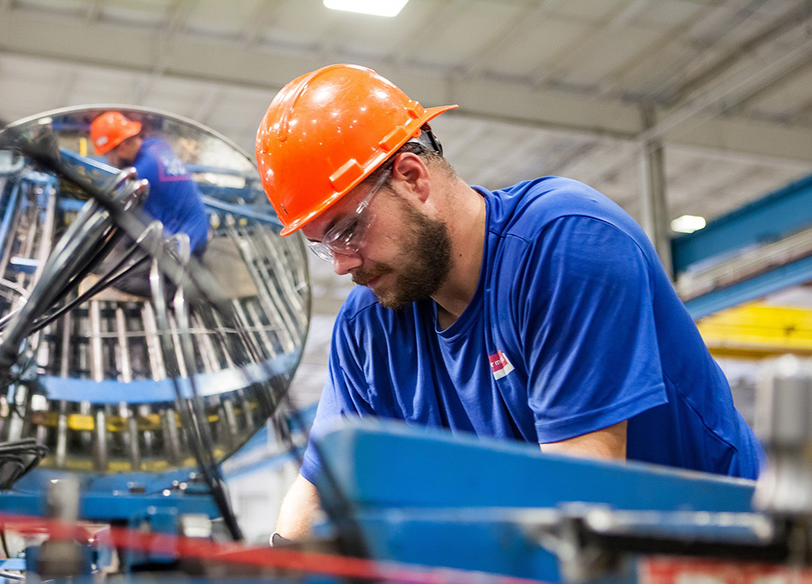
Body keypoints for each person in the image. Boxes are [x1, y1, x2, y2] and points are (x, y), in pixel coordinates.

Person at [255, 64, 765, 541]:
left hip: (725, 562)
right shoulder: (370, 327)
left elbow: (581, 496)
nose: (342, 264)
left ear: (413, 178)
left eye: (348, 229)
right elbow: (320, 492)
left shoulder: (566, 244)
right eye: (324, 245)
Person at [89, 111, 209, 297]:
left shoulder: (140, 175)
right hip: (198, 228)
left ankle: (182, 291)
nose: (108, 161)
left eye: (108, 154)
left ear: (121, 146)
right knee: (126, 238)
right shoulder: (156, 146)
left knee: (115, 277)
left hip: (184, 246)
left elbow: (117, 213)